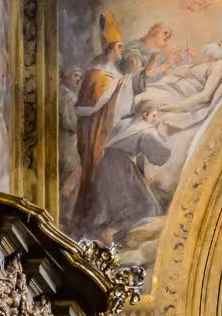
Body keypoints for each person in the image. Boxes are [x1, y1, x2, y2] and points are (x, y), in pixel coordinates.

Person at [75, 103, 172, 242]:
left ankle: (107, 236)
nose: (155, 120)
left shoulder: (125, 123)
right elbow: (161, 156)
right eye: (154, 116)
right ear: (145, 114)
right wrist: (163, 132)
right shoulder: (147, 130)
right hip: (121, 167)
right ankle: (113, 235)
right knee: (145, 206)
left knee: (109, 207)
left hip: (105, 163)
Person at [71, 15, 130, 219]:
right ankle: (87, 215)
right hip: (95, 134)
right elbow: (89, 108)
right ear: (112, 48)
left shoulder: (114, 73)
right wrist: (115, 87)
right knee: (95, 170)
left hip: (108, 129)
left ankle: (105, 214)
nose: (122, 51)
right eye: (120, 46)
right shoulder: (97, 73)